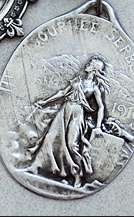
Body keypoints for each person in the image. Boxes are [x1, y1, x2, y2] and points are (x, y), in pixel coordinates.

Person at [26, 56, 110, 188]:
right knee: (50, 138)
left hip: (78, 113)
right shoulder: (78, 80)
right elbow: (62, 93)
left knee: (72, 144)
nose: (87, 64)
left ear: (94, 69)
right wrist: (45, 101)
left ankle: (78, 175)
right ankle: (36, 166)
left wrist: (98, 126)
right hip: (65, 109)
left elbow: (101, 107)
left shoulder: (94, 88)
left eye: (90, 64)